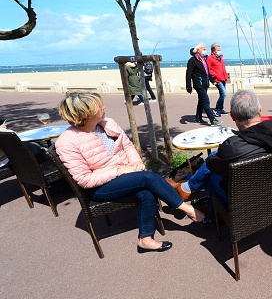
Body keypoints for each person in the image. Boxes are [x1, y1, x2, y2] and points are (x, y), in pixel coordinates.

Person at [55, 91, 205, 253]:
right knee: (148, 178)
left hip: (126, 175)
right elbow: (84, 179)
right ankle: (188, 210)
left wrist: (135, 163)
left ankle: (145, 239)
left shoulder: (108, 123)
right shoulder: (67, 142)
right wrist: (120, 171)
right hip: (99, 187)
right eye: (99, 106)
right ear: (87, 114)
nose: (104, 107)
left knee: (146, 191)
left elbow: (127, 146)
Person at [168, 90, 272, 219]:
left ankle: (210, 214)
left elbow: (212, 166)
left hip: (244, 202)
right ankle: (187, 187)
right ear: (260, 111)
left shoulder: (232, 147)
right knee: (216, 158)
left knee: (212, 174)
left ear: (232, 116)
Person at [185, 43, 222, 126]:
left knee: (201, 102)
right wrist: (188, 85)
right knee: (206, 101)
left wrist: (212, 80)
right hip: (199, 84)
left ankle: (198, 119)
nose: (205, 50)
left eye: (205, 49)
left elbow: (207, 72)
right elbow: (188, 73)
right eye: (203, 49)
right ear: (198, 50)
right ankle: (213, 120)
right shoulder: (193, 60)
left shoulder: (204, 59)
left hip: (205, 84)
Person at [206, 43, 229, 117]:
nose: (220, 51)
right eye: (218, 50)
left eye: (220, 50)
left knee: (222, 94)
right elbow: (208, 69)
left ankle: (221, 108)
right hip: (217, 79)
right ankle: (217, 109)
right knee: (224, 94)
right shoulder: (210, 58)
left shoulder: (220, 58)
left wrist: (225, 76)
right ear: (213, 51)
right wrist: (214, 77)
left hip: (223, 78)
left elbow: (222, 68)